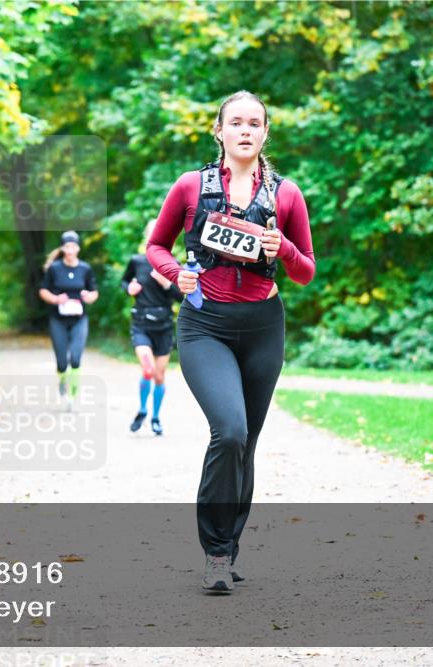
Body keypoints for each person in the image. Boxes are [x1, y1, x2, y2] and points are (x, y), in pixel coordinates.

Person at [146, 91, 316, 593]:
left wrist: (280, 246)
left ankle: (231, 547)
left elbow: (305, 270)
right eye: (235, 122)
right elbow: (157, 245)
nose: (245, 130)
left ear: (266, 133)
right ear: (218, 131)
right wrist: (176, 272)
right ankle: (216, 554)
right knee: (231, 432)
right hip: (205, 326)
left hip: (264, 326)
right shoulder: (189, 186)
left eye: (255, 123)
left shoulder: (286, 195)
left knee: (248, 444)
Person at [123, 220, 184, 436]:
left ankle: (156, 417)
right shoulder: (137, 261)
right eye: (152, 233)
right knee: (147, 370)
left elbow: (182, 296)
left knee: (159, 376)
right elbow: (124, 282)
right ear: (147, 237)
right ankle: (141, 410)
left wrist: (166, 283)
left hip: (164, 325)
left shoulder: (173, 264)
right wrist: (129, 287)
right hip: (141, 324)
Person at [38, 231, 99, 409]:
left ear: (78, 248)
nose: (70, 250)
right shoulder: (55, 269)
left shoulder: (85, 269)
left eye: (73, 246)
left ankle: (72, 395)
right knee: (62, 362)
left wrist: (89, 296)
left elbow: (94, 292)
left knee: (76, 358)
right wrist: (56, 299)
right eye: (67, 246)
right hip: (58, 319)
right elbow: (43, 291)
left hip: (79, 319)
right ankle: (63, 384)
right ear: (63, 248)